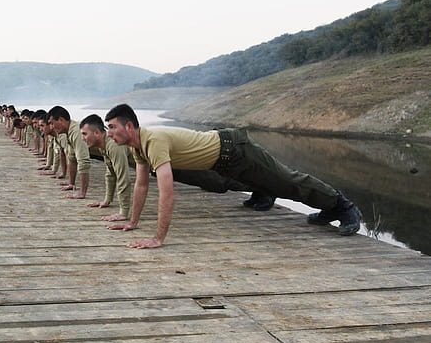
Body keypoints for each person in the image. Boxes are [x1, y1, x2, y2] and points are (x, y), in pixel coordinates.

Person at [103, 103, 362, 249]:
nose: (110, 134)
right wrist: (132, 222)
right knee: (267, 184)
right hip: (222, 162)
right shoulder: (139, 148)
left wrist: (158, 238)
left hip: (235, 149)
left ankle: (342, 206)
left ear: (129, 126)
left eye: (112, 127)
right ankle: (270, 194)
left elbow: (166, 192)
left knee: (287, 181)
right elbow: (141, 186)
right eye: (107, 129)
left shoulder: (154, 140)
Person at [79, 114, 133, 222]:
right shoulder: (104, 144)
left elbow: (123, 178)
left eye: (85, 134)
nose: (82, 139)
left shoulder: (113, 145)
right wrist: (107, 200)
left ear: (97, 133)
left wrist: (124, 212)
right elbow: (111, 173)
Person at [48, 106, 91, 199]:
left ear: (61, 120)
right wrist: (71, 183)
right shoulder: (69, 132)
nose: (51, 127)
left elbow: (83, 161)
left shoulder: (76, 132)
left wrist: (82, 193)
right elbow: (72, 158)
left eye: (52, 123)